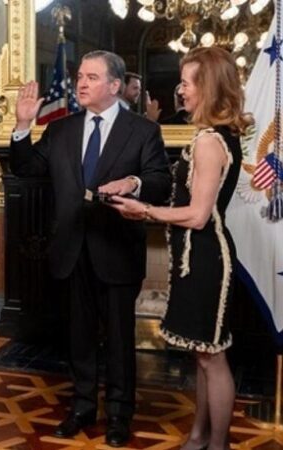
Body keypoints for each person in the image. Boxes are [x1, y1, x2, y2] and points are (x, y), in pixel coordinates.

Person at [10, 50, 171, 447]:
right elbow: (26, 168)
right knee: (78, 337)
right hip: (70, 250)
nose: (81, 83)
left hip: (116, 249)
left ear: (115, 86)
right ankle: (82, 407)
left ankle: (119, 414)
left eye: (92, 77)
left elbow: (160, 181)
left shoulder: (142, 130)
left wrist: (133, 182)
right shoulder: (61, 129)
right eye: (80, 76)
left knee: (119, 339)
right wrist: (23, 125)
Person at [109, 47, 250, 450]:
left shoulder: (209, 141)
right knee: (202, 354)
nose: (181, 91)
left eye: (187, 83)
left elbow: (198, 215)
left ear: (209, 86)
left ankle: (217, 444)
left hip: (206, 260)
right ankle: (199, 436)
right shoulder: (216, 135)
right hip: (197, 258)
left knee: (212, 356)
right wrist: (136, 185)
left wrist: (144, 210)